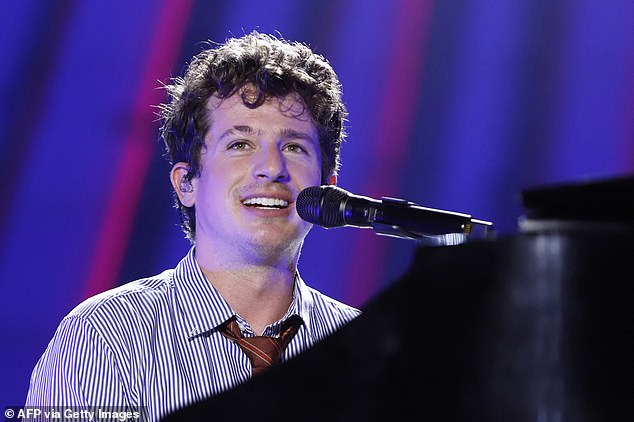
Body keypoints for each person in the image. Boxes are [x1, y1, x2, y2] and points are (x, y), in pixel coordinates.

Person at [25, 32, 360, 420]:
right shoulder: (105, 337)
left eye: (294, 147)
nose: (272, 167)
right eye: (240, 144)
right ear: (187, 183)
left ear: (326, 187)